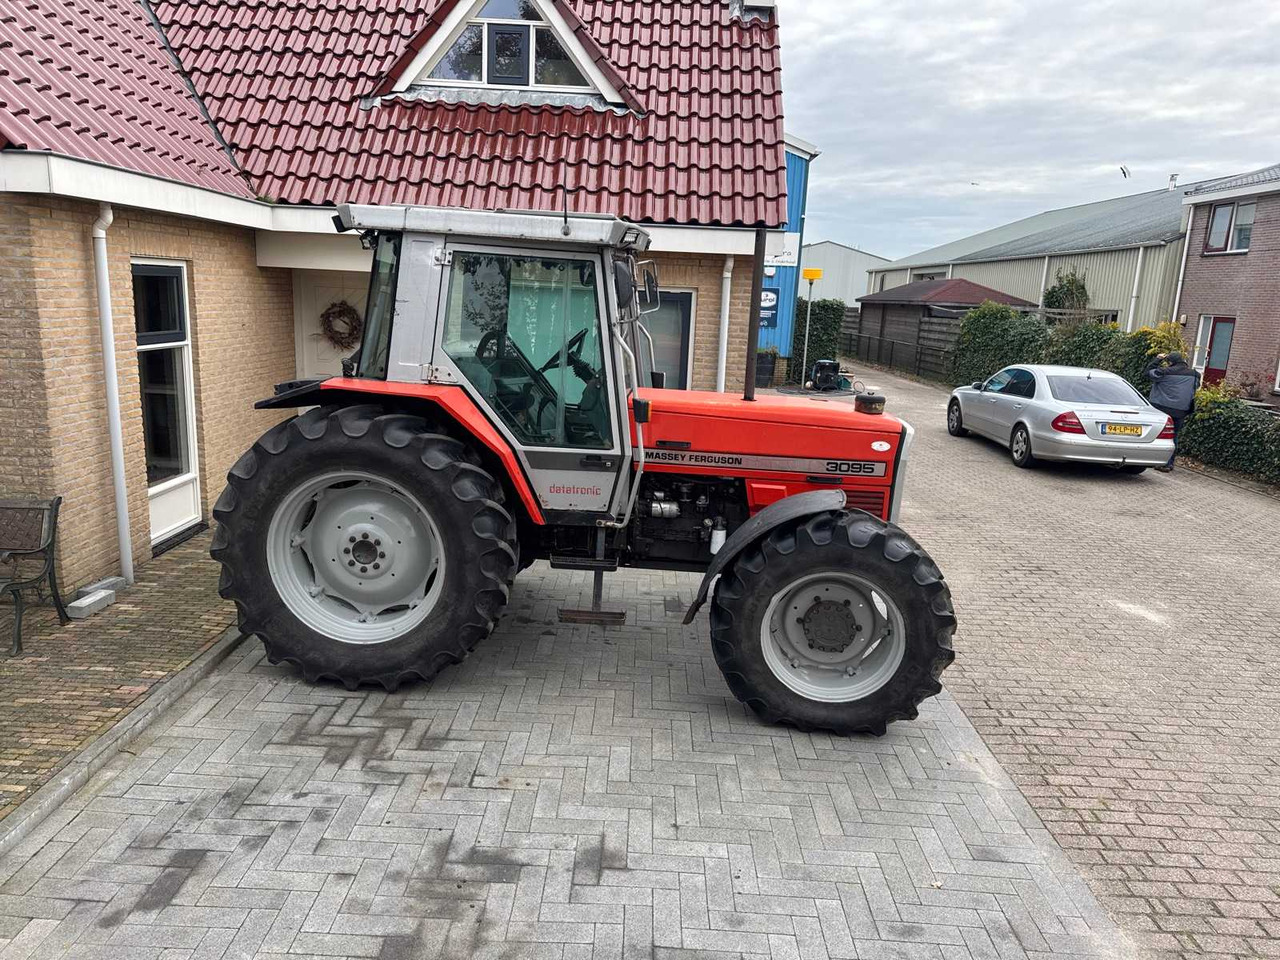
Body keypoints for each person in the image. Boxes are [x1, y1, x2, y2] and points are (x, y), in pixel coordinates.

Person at [1146, 352, 1201, 472]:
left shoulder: (1164, 372)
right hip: (1181, 410)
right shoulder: (1195, 375)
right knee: (1174, 436)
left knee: (1158, 435)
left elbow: (1149, 373)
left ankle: (1153, 460)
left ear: (1170, 362)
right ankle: (1169, 463)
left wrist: (1157, 359)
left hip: (1162, 409)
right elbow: (1195, 387)